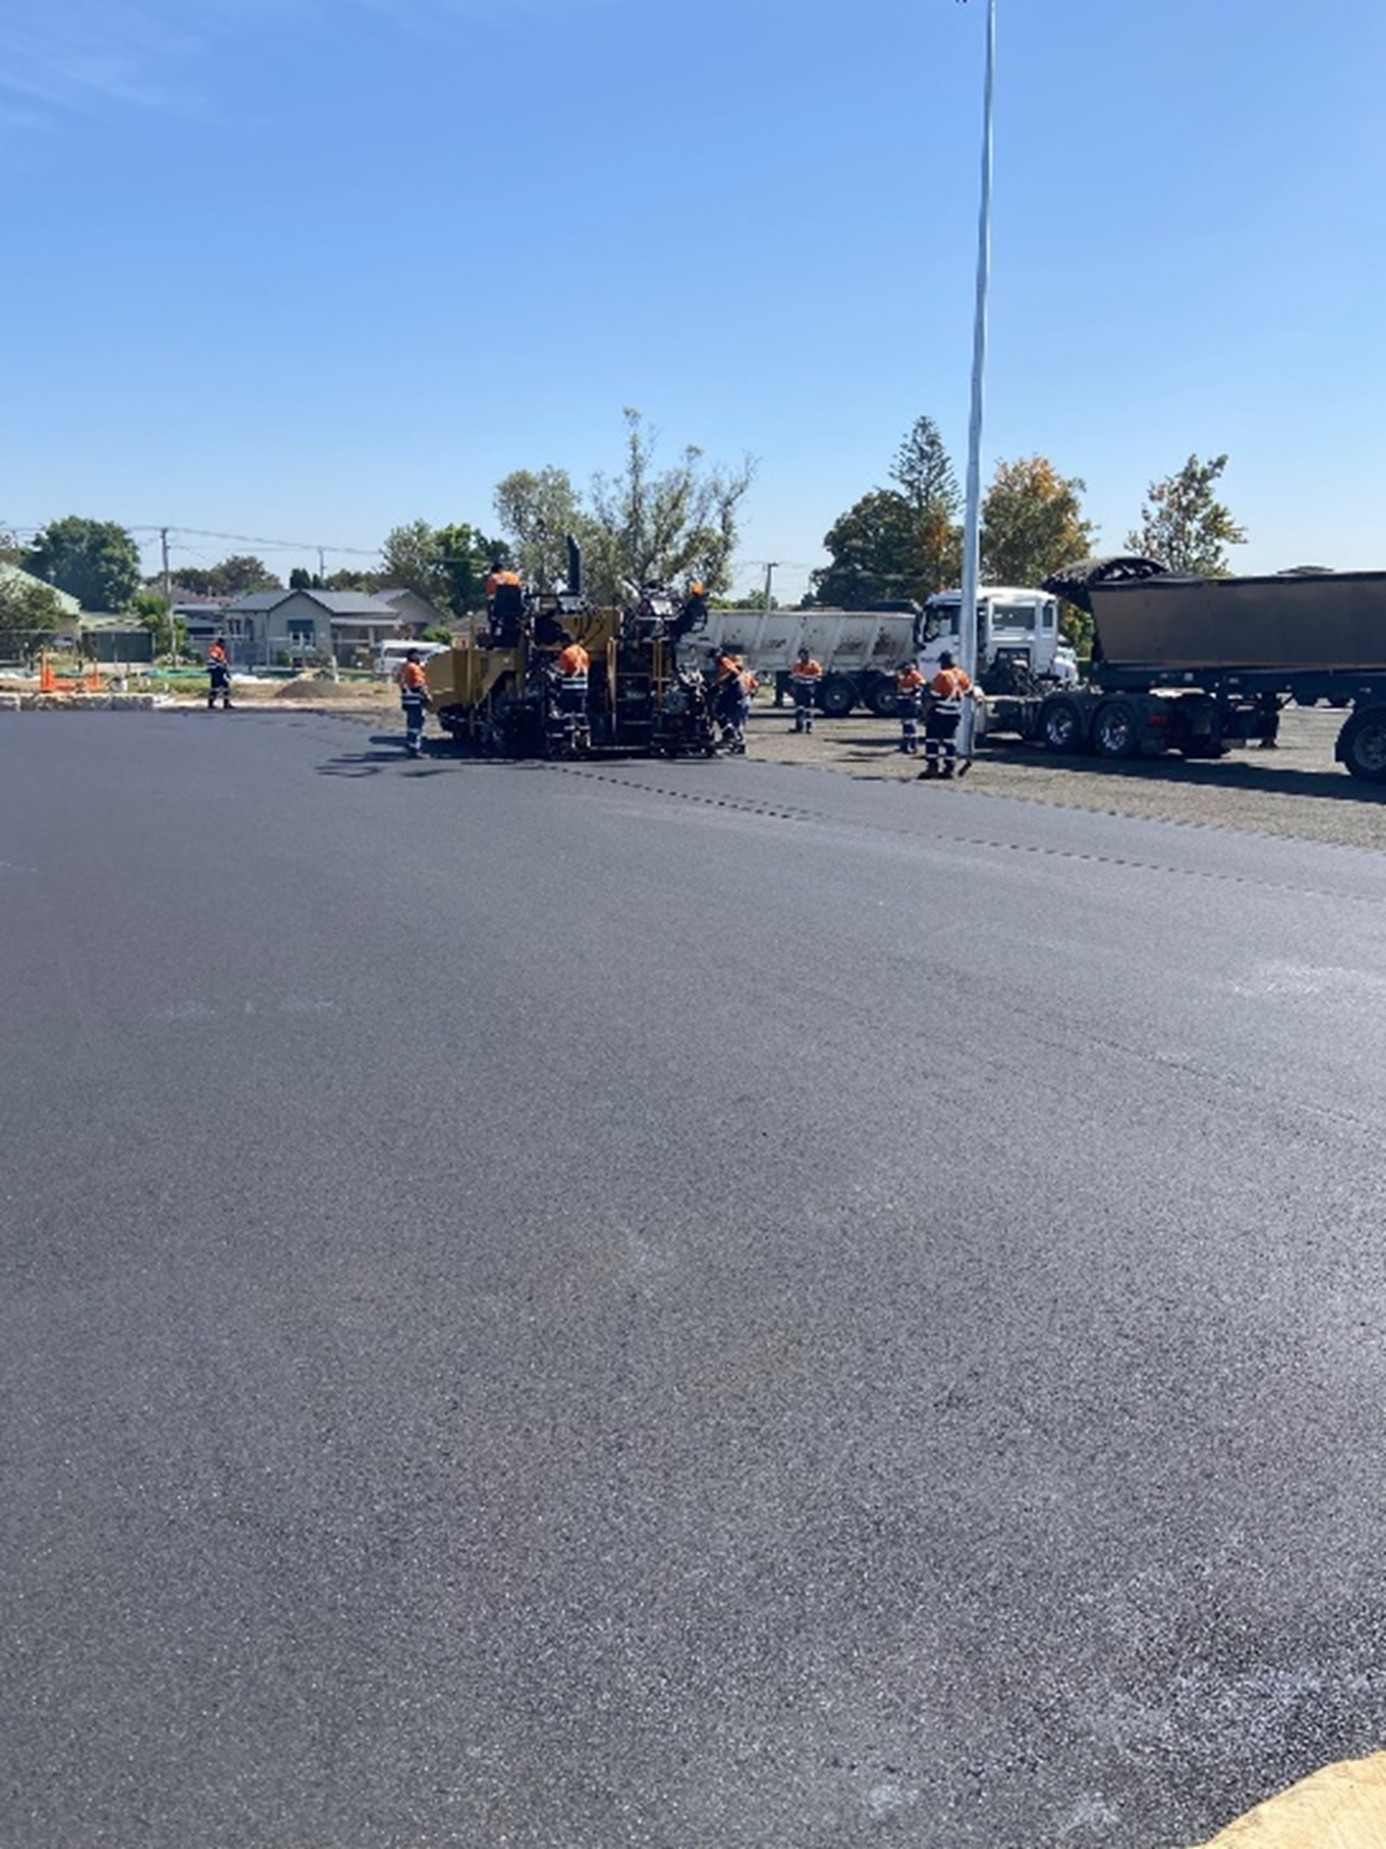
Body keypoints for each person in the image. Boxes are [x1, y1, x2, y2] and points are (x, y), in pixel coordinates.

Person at [919, 650, 972, 779]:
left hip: (939, 713)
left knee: (932, 740)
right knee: (950, 741)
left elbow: (933, 697)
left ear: (943, 662)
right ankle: (950, 768)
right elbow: (969, 692)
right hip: (954, 714)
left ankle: (932, 768)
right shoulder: (962, 675)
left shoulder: (942, 676)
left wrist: (925, 713)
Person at [395, 648, 430, 758]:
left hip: (407, 699)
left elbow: (398, 681)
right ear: (413, 656)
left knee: (411, 724)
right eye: (418, 655)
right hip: (415, 700)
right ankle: (415, 748)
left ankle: (410, 744)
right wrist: (427, 697)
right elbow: (418, 685)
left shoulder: (403, 668)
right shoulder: (414, 668)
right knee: (416, 725)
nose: (419, 658)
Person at [788, 647, 822, 734]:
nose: (802, 657)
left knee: (808, 709)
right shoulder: (797, 665)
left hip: (809, 689)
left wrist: (807, 677)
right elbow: (793, 676)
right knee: (799, 708)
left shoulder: (813, 665)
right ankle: (799, 726)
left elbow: (819, 677)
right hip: (799, 689)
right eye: (801, 656)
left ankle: (809, 727)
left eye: (804, 655)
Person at [895, 660, 925, 754]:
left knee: (911, 724)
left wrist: (910, 692)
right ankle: (905, 744)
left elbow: (920, 686)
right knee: (905, 724)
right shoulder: (903, 677)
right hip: (904, 703)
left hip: (912, 704)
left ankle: (913, 745)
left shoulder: (915, 675)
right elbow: (900, 688)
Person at [206, 636, 233, 711]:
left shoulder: (220, 650)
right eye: (223, 643)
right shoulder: (216, 649)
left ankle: (212, 703)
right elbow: (214, 657)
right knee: (223, 686)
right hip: (216, 670)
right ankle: (225, 703)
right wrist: (221, 662)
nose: (224, 645)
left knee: (216, 687)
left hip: (218, 670)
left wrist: (226, 669)